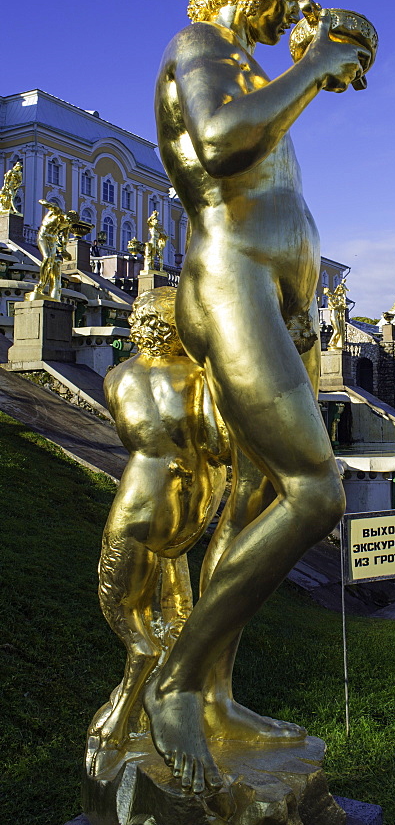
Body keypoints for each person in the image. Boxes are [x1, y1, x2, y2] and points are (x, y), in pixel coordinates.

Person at [148, 0, 370, 793]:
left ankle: (215, 692)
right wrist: (313, 68)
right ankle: (174, 685)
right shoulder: (199, 47)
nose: (287, 9)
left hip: (276, 303)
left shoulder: (252, 70)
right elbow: (223, 146)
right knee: (317, 491)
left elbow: (274, 184)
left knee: (254, 505)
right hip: (230, 284)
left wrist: (306, 304)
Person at [86, 288, 227, 773]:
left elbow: (131, 432)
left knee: (120, 604)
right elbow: (217, 442)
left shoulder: (115, 377)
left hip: (134, 496)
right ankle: (166, 694)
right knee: (173, 603)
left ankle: (136, 699)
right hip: (181, 499)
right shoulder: (197, 376)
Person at [26, 199, 78, 301]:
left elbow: (65, 238)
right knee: (48, 258)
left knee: (53, 264)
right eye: (67, 220)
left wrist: (63, 250)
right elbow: (42, 201)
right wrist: (47, 204)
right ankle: (40, 286)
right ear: (66, 216)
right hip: (43, 237)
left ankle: (50, 292)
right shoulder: (57, 212)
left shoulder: (67, 224)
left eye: (69, 223)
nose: (67, 223)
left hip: (53, 241)